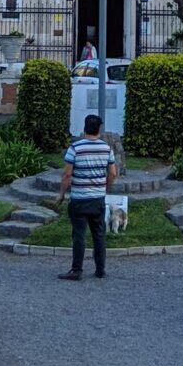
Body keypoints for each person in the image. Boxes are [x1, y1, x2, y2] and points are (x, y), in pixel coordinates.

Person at [57, 113, 119, 280]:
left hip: (79, 199)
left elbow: (67, 175)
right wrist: (105, 189)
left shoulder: (75, 148)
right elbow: (113, 173)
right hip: (97, 199)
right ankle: (100, 269)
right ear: (99, 129)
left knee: (79, 234)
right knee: (99, 234)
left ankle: (76, 270)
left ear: (84, 128)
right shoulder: (107, 149)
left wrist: (61, 195)